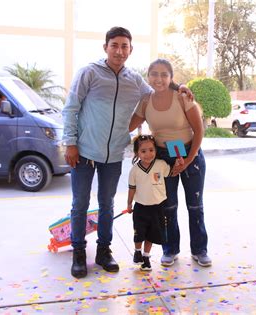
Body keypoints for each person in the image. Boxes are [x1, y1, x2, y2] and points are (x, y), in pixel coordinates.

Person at [62, 27, 192, 279]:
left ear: (130, 50)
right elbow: (71, 108)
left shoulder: (134, 79)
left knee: (107, 205)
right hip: (85, 151)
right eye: (115, 45)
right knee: (79, 204)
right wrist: (70, 142)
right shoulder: (89, 72)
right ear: (105, 47)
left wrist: (180, 85)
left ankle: (103, 251)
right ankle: (78, 251)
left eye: (124, 46)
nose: (119, 51)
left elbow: (158, 89)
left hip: (113, 154)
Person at [129, 59, 211, 267]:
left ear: (171, 77)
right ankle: (170, 249)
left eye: (164, 74)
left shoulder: (182, 97)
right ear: (148, 77)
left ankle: (200, 250)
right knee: (168, 206)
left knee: (195, 205)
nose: (159, 78)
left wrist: (188, 160)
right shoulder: (146, 101)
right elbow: (129, 124)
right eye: (154, 74)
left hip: (190, 153)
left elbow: (199, 130)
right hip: (163, 158)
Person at [127, 135, 173, 271]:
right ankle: (137, 251)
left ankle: (146, 258)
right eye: (143, 151)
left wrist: (179, 163)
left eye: (151, 150)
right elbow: (132, 188)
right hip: (140, 207)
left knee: (152, 234)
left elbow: (171, 173)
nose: (148, 154)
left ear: (156, 150)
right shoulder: (134, 170)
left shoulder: (161, 165)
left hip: (158, 207)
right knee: (139, 233)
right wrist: (129, 204)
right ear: (137, 153)